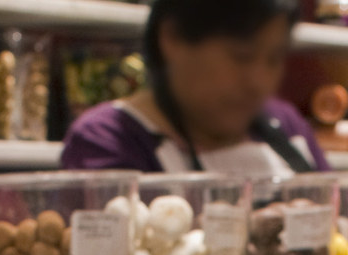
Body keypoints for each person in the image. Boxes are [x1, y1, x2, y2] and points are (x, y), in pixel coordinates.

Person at [60, 0, 329, 177]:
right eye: (241, 56)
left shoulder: (286, 124)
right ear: (172, 38)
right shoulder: (109, 141)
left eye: (274, 59)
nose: (258, 82)